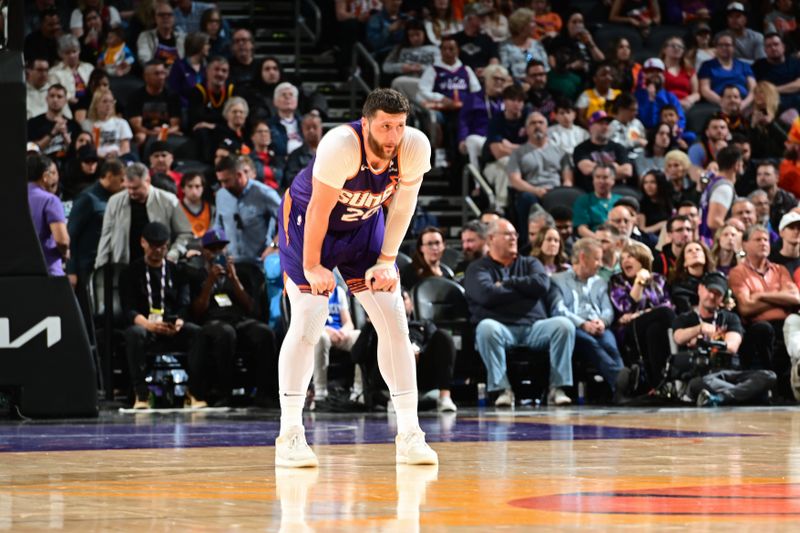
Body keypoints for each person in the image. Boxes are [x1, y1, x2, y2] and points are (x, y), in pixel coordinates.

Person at [275, 88, 437, 467]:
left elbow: (404, 206)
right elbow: (318, 209)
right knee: (308, 318)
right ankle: (290, 435)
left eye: (399, 126)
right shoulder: (340, 145)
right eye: (384, 126)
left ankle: (410, 434)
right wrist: (314, 265)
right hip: (308, 226)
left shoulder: (414, 147)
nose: (393, 136)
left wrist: (387, 259)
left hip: (363, 227)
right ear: (366, 125)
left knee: (394, 321)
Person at [466, 218, 576, 407]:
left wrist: (508, 284)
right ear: (491, 238)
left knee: (563, 325)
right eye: (508, 234)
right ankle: (503, 390)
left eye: (515, 234)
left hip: (535, 327)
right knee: (486, 328)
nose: (514, 238)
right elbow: (487, 295)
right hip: (501, 328)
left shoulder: (531, 262)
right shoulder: (478, 268)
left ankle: (557, 388)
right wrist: (525, 291)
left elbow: (541, 285)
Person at [188, 228, 278, 407]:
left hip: (238, 319)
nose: (217, 253)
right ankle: (224, 393)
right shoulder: (196, 275)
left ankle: (265, 393)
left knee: (264, 332)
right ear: (204, 251)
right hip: (212, 322)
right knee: (225, 333)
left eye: (221, 248)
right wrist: (210, 282)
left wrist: (234, 279)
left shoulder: (240, 273)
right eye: (212, 249)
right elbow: (196, 312)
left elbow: (252, 309)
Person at [120, 222, 201, 409]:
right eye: (153, 246)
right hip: (145, 325)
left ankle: (195, 392)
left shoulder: (177, 271)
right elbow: (129, 310)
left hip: (172, 326)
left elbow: (184, 304)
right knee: (134, 334)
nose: (158, 251)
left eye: (162, 246)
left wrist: (178, 323)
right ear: (143, 243)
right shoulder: (130, 272)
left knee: (197, 333)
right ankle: (141, 394)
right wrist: (149, 325)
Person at [672, 271, 776, 407]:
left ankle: (720, 398)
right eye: (710, 291)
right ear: (700, 289)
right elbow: (678, 337)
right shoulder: (685, 318)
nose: (712, 296)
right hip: (702, 376)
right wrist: (699, 329)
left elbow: (732, 346)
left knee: (768, 376)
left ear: (723, 298)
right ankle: (749, 395)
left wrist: (704, 342)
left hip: (730, 373)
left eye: (718, 294)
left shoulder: (730, 318)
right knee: (700, 383)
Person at [552, 238, 624, 397]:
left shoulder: (600, 282)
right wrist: (583, 324)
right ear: (583, 258)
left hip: (598, 325)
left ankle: (621, 390)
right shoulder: (558, 280)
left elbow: (607, 308)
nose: (600, 264)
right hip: (575, 327)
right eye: (597, 259)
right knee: (591, 344)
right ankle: (623, 385)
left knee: (611, 346)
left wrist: (602, 322)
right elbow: (558, 309)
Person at [729, 224, 800, 374]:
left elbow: (795, 298)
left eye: (766, 240)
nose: (763, 243)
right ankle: (770, 381)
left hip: (785, 324)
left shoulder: (780, 269)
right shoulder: (738, 273)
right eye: (758, 239)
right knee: (764, 329)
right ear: (745, 244)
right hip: (758, 327)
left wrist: (761, 295)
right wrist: (780, 296)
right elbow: (746, 308)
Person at [95, 163, 193, 268]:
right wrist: (100, 267)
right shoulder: (114, 201)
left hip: (159, 266)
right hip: (124, 267)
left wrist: (174, 254)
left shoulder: (168, 201)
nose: (131, 192)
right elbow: (106, 237)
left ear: (147, 181)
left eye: (136, 188)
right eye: (128, 187)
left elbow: (185, 233)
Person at [609, 241, 675, 391]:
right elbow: (624, 307)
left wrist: (641, 313)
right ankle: (670, 376)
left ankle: (657, 385)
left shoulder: (659, 279)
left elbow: (669, 305)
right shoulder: (617, 281)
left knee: (655, 330)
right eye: (623, 258)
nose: (625, 260)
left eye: (631, 256)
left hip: (651, 324)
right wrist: (639, 283)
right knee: (664, 315)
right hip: (629, 330)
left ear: (643, 259)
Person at [507, 111, 572, 234]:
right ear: (526, 129)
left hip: (556, 191)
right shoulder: (518, 153)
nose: (537, 126)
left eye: (541, 122)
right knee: (526, 198)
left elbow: (568, 179)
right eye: (533, 123)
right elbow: (515, 180)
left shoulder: (561, 152)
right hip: (532, 192)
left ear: (546, 127)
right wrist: (535, 190)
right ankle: (527, 241)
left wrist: (563, 191)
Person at [66, 159, 126, 286]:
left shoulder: (117, 199)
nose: (124, 184)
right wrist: (71, 270)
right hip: (86, 268)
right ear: (109, 175)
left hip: (107, 265)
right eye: (121, 179)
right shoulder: (88, 198)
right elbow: (71, 234)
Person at [213, 155, 281, 265]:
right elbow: (219, 225)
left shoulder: (264, 193)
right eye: (221, 181)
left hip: (259, 264)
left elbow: (290, 220)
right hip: (231, 263)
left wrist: (275, 245)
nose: (223, 186)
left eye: (226, 181)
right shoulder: (221, 195)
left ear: (239, 175)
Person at [311, 282, 362, 406]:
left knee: (360, 336)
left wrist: (343, 332)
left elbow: (349, 323)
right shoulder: (310, 291)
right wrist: (328, 331)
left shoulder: (338, 292)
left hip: (339, 334)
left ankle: (359, 389)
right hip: (320, 332)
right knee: (321, 338)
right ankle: (320, 392)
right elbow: (308, 323)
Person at [480, 83, 527, 209]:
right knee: (506, 164)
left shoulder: (528, 118)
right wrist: (522, 149)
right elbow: (498, 152)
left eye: (519, 100)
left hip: (523, 163)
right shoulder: (496, 121)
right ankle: (501, 208)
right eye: (512, 100)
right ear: (504, 102)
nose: (516, 104)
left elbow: (536, 147)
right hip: (493, 164)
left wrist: (510, 146)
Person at [27, 154, 68, 276]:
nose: (57, 177)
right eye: (54, 172)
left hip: (19, 274)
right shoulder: (50, 200)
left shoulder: (10, 198)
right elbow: (62, 241)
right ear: (45, 176)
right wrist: (65, 252)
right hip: (48, 272)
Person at [572, 110, 633, 192]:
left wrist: (597, 170)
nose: (605, 127)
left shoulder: (618, 147)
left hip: (616, 192)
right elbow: (586, 169)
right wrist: (614, 166)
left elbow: (627, 171)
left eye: (607, 124)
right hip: (590, 193)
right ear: (590, 127)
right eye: (601, 124)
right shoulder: (581, 148)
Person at [27, 84, 82, 174]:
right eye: (52, 96)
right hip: (40, 167)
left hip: (66, 169)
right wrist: (53, 133)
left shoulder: (73, 125)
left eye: (59, 96)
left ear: (65, 101)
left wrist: (65, 135)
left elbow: (77, 153)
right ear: (46, 99)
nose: (55, 99)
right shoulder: (33, 123)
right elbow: (32, 151)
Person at [126, 60, 182, 148]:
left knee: (179, 136)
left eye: (163, 73)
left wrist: (163, 132)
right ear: (146, 77)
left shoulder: (172, 96)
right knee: (140, 137)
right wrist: (154, 133)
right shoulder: (136, 97)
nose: (161, 77)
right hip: (145, 132)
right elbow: (137, 126)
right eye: (156, 74)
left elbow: (176, 126)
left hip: (166, 131)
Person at [698, 32, 756, 110]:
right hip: (717, 104)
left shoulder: (744, 66)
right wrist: (722, 102)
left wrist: (744, 104)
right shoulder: (707, 66)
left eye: (727, 45)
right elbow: (705, 89)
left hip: (743, 103)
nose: (724, 48)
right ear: (716, 48)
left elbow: (753, 89)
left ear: (734, 47)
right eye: (720, 45)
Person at [698, 146, 743, 243]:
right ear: (736, 165)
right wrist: (734, 233)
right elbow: (714, 222)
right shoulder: (724, 188)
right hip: (711, 242)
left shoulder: (714, 183)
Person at [752, 32, 800, 113]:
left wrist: (773, 90)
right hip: (772, 105)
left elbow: (798, 85)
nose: (773, 48)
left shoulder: (795, 63)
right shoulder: (758, 66)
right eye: (769, 46)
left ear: (783, 47)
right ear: (765, 50)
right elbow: (757, 90)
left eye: (776, 44)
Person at [635, 58, 687, 132]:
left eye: (658, 71)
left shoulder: (670, 96)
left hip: (669, 133)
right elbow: (647, 123)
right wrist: (651, 99)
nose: (654, 74)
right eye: (650, 71)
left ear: (663, 75)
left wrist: (677, 127)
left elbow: (681, 118)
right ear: (644, 75)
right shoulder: (637, 96)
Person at [498, 8, 548, 85]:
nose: (535, 25)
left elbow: (546, 67)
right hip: (516, 84)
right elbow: (505, 70)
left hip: (539, 83)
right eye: (532, 22)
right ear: (521, 24)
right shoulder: (505, 47)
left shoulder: (537, 44)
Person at [80, 88, 133, 159]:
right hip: (95, 159)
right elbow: (86, 148)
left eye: (111, 102)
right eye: (104, 101)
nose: (109, 105)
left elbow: (126, 148)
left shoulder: (122, 123)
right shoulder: (87, 124)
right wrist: (103, 156)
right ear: (96, 104)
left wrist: (117, 154)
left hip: (118, 159)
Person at [573, 165, 622, 238]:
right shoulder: (583, 201)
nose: (601, 181)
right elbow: (582, 229)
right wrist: (600, 240)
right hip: (593, 241)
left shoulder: (621, 201)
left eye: (605, 177)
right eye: (597, 177)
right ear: (593, 179)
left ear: (613, 180)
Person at [668, 240, 715, 314]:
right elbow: (685, 310)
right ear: (684, 262)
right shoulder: (679, 286)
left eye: (698, 249)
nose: (694, 252)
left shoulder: (716, 279)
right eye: (689, 251)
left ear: (705, 257)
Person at [47, 34, 94, 108]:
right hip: (68, 106)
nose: (72, 55)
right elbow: (55, 93)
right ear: (60, 54)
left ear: (79, 51)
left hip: (91, 104)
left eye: (74, 51)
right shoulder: (53, 72)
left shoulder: (89, 68)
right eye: (67, 53)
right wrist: (70, 99)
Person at [453, 3, 499, 76]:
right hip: (459, 77)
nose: (485, 18)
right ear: (469, 18)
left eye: (485, 16)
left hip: (483, 78)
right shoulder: (454, 40)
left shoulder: (488, 39)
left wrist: (486, 71)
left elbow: (494, 62)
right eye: (481, 16)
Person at [137, 0, 186, 68]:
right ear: (155, 18)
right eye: (161, 15)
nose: (166, 17)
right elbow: (144, 59)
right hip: (154, 73)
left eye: (169, 14)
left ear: (174, 18)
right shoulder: (146, 36)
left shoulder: (182, 38)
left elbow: (184, 60)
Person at [284, 113, 323, 189]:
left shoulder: (332, 152)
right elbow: (291, 179)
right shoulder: (295, 155)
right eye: (308, 128)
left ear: (321, 128)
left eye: (315, 127)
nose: (311, 131)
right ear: (302, 130)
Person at [660, 36, 700, 111]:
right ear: (664, 49)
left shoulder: (689, 70)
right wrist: (678, 103)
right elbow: (658, 92)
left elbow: (696, 93)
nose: (677, 48)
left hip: (687, 106)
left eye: (680, 47)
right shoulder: (659, 69)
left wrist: (690, 99)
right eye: (673, 46)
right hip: (666, 105)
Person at [575, 62, 619, 128]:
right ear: (595, 79)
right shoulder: (586, 95)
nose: (608, 77)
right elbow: (580, 118)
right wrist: (593, 129)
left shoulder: (618, 94)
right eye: (603, 75)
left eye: (610, 75)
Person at [180, 172, 212, 239]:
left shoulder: (211, 209)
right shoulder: (176, 208)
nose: (194, 191)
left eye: (197, 186)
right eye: (190, 186)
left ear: (203, 188)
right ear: (182, 189)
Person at [770, 211, 800, 277]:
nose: (796, 231)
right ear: (781, 232)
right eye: (791, 227)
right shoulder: (770, 261)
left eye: (799, 228)